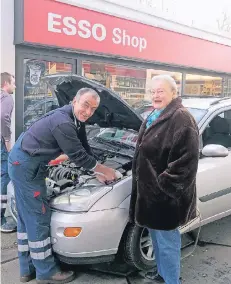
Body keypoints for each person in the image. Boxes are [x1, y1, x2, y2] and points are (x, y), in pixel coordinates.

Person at [8, 88, 118, 283]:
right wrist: (105, 170)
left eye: (93, 109)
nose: (88, 112)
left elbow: (85, 147)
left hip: (24, 161)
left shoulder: (75, 118)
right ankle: (46, 272)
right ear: (75, 100)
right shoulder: (63, 123)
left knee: (26, 217)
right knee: (38, 217)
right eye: (85, 105)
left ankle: (27, 269)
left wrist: (97, 170)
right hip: (26, 166)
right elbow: (78, 156)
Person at [129, 75, 199, 284]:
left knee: (168, 244)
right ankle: (161, 274)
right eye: (153, 91)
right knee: (157, 241)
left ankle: (171, 280)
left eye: (160, 91)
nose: (155, 95)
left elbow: (186, 163)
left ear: (173, 93)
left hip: (165, 200)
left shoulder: (181, 118)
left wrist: (162, 187)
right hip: (150, 198)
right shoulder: (155, 114)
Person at [0, 72, 17, 233]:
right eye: (13, 83)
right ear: (6, 83)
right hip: (0, 141)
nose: (15, 86)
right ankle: (2, 220)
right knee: (4, 176)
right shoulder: (6, 97)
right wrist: (7, 139)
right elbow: (3, 116)